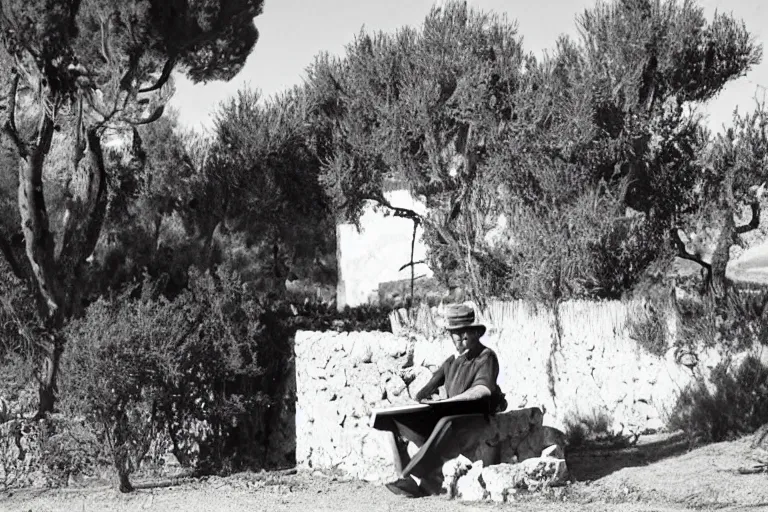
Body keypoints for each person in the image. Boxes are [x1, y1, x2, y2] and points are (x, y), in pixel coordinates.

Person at [371, 303, 506, 497]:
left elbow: (482, 390)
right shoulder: (452, 362)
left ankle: (416, 472)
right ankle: (405, 479)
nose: (461, 337)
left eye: (465, 332)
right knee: (393, 423)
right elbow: (423, 392)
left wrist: (454, 400)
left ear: (475, 333)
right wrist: (432, 396)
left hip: (473, 416)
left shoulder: (486, 357)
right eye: (456, 333)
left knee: (446, 421)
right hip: (447, 412)